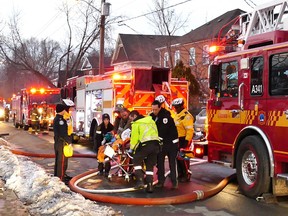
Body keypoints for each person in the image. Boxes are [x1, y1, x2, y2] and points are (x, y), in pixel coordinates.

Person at [129, 110, 160, 193]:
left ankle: (140, 181)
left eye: (131, 118)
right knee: (149, 165)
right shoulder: (151, 121)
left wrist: (131, 149)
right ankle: (150, 186)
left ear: (134, 116)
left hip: (145, 145)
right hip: (156, 145)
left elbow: (134, 139)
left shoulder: (136, 124)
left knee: (136, 160)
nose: (131, 120)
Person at [151, 100, 179, 189]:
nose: (154, 111)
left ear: (160, 107)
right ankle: (160, 181)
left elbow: (162, 132)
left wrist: (154, 140)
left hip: (171, 144)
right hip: (162, 144)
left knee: (172, 163)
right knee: (160, 163)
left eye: (155, 109)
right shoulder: (153, 116)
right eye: (153, 109)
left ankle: (174, 183)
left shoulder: (165, 117)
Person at [171, 98, 194, 183]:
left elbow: (190, 130)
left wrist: (187, 141)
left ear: (181, 106)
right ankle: (180, 173)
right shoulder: (177, 115)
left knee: (184, 158)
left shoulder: (186, 116)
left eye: (177, 107)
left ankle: (186, 174)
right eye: (174, 107)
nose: (175, 109)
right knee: (178, 158)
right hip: (177, 139)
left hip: (184, 139)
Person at [53, 103, 72, 184]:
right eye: (64, 109)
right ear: (61, 110)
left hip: (58, 142)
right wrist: (69, 142)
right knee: (62, 161)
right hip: (62, 143)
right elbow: (63, 133)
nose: (65, 111)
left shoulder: (57, 119)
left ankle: (58, 176)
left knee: (58, 160)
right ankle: (60, 178)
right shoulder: (61, 120)